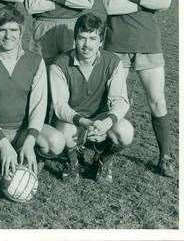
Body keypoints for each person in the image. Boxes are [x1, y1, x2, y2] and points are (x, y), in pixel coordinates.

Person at [101, 0, 174, 177]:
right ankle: (105, 157)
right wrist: (147, 2)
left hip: (148, 44)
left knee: (157, 101)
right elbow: (111, 6)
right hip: (117, 45)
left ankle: (165, 157)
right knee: (113, 102)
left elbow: (164, 1)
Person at [0, 6, 65, 185]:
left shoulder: (36, 61)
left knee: (56, 142)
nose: (8, 36)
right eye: (2, 30)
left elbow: (39, 105)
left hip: (23, 130)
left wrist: (30, 140)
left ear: (21, 32)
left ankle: (28, 153)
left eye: (13, 30)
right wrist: (3, 143)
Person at [49, 13, 134, 183]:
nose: (87, 45)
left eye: (93, 38)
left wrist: (106, 123)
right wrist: (85, 123)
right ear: (75, 39)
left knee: (125, 132)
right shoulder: (59, 64)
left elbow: (120, 101)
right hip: (73, 121)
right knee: (65, 132)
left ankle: (103, 160)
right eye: (82, 38)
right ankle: (73, 161)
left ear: (101, 41)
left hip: (100, 121)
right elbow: (60, 107)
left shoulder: (113, 62)